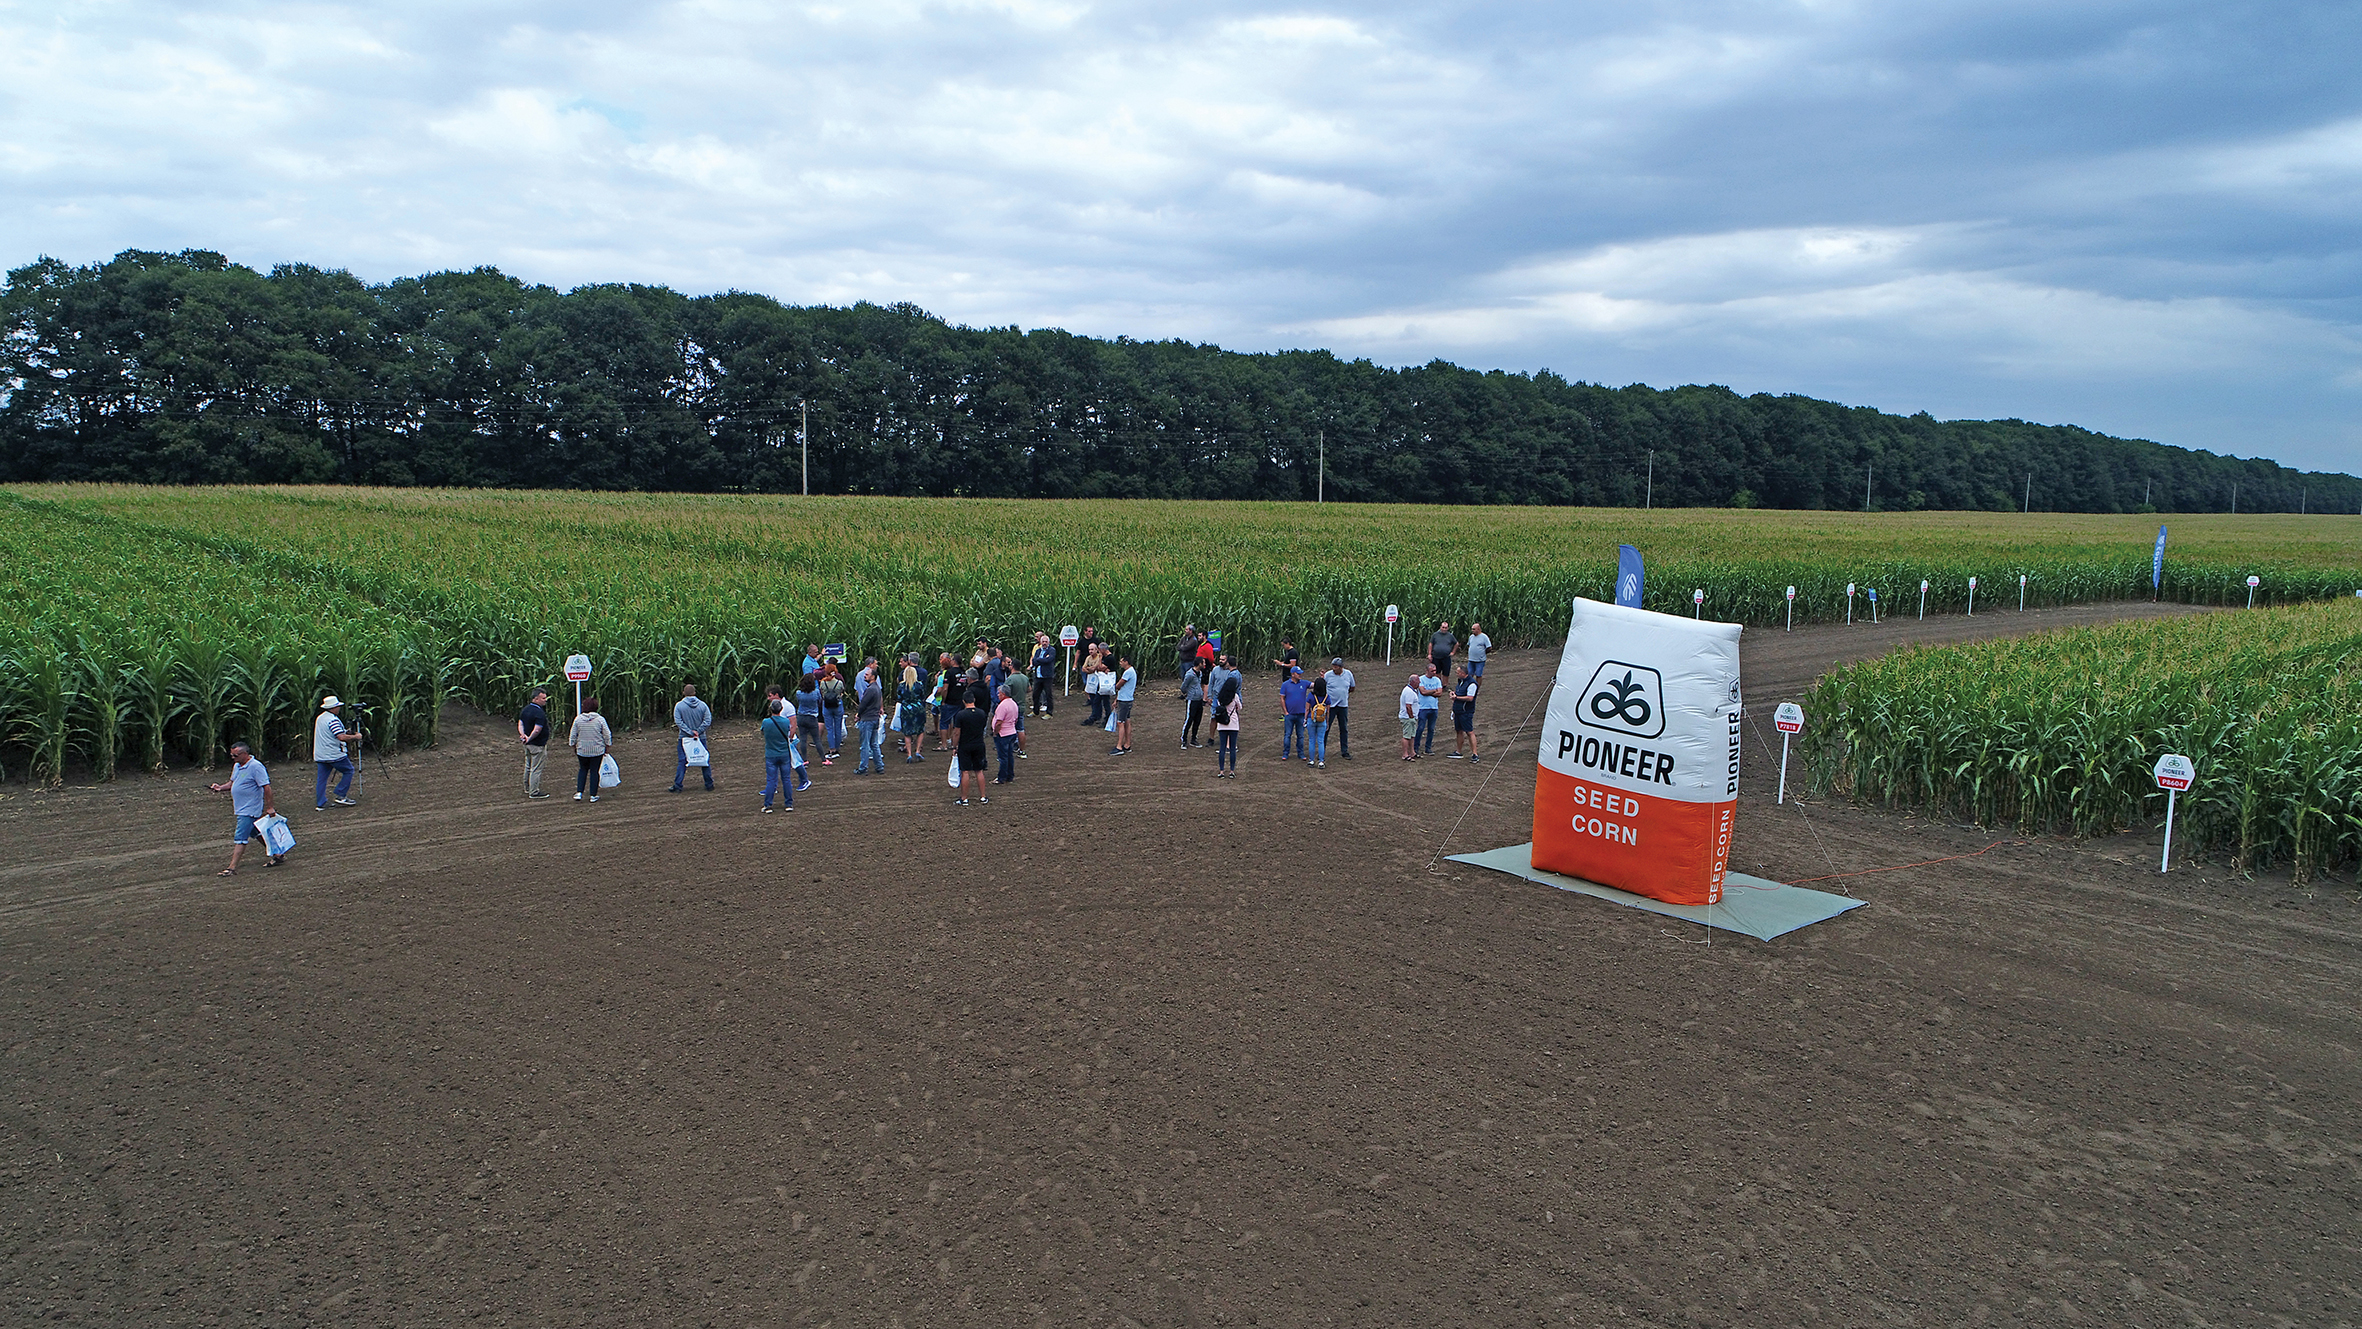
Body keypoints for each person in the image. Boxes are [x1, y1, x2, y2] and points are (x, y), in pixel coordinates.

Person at [209, 740, 280, 874]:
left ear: (245, 754)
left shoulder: (256, 767)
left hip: (250, 809)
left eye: (235, 755)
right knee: (256, 833)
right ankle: (278, 854)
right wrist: (220, 788)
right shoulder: (237, 766)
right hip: (241, 808)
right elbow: (232, 783)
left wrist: (270, 807)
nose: (233, 758)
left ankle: (232, 868)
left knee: (240, 838)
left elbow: (266, 787)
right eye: (231, 755)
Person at [312, 695, 359, 810]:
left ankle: (321, 802)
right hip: (333, 754)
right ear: (333, 708)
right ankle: (341, 794)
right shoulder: (333, 720)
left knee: (322, 779)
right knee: (348, 770)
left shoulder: (320, 718)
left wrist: (346, 732)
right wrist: (356, 737)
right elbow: (341, 737)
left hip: (320, 754)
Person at [670, 681, 715, 792]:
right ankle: (709, 784)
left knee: (682, 761)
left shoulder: (679, 706)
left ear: (683, 693)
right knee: (704, 760)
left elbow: (678, 722)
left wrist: (689, 732)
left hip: (684, 738)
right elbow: (707, 720)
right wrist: (698, 731)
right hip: (700, 737)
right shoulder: (703, 705)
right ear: (695, 692)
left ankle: (678, 785)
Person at [569, 698, 613, 800]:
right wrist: (607, 746)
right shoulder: (600, 719)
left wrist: (573, 745)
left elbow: (573, 735)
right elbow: (607, 734)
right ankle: (593, 795)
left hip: (582, 750)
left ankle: (579, 792)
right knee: (594, 771)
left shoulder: (578, 719)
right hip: (597, 750)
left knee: (582, 769)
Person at [952, 691, 990, 805]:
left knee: (965, 771)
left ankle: (964, 798)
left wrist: (954, 746)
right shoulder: (981, 713)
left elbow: (957, 732)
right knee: (979, 770)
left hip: (965, 745)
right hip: (979, 743)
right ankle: (983, 796)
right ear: (974, 700)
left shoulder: (960, 715)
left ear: (964, 701)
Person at [760, 698, 797, 811]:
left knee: (771, 780)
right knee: (786, 779)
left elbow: (762, 732)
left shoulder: (766, 722)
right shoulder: (785, 722)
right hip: (784, 753)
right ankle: (789, 804)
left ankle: (768, 805)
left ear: (770, 709)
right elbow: (789, 732)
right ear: (781, 709)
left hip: (771, 754)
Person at [518, 687, 552, 799]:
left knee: (528, 765)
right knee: (536, 768)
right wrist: (530, 738)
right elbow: (537, 729)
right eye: (543, 698)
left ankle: (527, 787)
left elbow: (520, 723)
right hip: (537, 745)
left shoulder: (526, 709)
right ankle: (534, 791)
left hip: (527, 744)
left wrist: (523, 735)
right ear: (536, 699)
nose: (545, 700)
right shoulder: (539, 713)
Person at [853, 657, 885, 774]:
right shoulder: (877, 688)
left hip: (867, 719)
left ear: (872, 677)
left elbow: (863, 704)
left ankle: (863, 768)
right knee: (874, 744)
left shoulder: (870, 689)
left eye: (867, 675)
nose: (865, 676)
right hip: (874, 718)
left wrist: (858, 715)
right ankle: (879, 766)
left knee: (865, 745)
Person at [1321, 658, 1355, 760]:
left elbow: (1352, 687)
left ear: (1341, 667)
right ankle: (1322, 750)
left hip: (1343, 705)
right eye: (1333, 667)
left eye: (1336, 667)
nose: (1334, 669)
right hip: (1330, 706)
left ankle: (1344, 751)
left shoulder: (1348, 674)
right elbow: (1322, 687)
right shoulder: (1328, 675)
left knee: (1343, 728)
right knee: (1326, 728)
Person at [1450, 663, 1481, 761]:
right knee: (1459, 731)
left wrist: (1457, 697)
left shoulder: (1471, 684)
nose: (1456, 674)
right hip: (1458, 710)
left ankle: (1475, 754)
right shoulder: (1461, 681)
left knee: (1469, 732)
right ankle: (1458, 752)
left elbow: (1470, 698)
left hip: (1466, 711)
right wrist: (1455, 693)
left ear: (1463, 673)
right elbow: (1460, 692)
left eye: (1458, 672)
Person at [1277, 666, 1310, 760]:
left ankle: (1301, 753)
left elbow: (1315, 685)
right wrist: (1285, 712)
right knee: (1288, 735)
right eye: (1298, 673)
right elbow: (1282, 699)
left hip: (1301, 714)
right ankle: (1286, 753)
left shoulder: (1304, 683)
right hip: (1290, 714)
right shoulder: (1285, 685)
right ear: (1292, 674)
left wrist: (1323, 678)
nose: (1300, 675)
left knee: (1301, 735)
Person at [1213, 672, 1242, 778]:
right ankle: (1231, 771)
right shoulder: (1235, 696)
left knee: (1222, 748)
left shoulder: (1220, 697)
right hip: (1233, 724)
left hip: (1222, 724)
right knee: (1232, 749)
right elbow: (1240, 707)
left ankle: (1221, 771)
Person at [992, 683, 1021, 784]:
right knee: (1009, 755)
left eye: (999, 693)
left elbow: (999, 722)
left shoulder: (1002, 705)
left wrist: (995, 732)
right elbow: (1016, 719)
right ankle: (1009, 775)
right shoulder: (1013, 703)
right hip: (1011, 732)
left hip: (1003, 734)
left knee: (1003, 757)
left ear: (1003, 694)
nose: (998, 695)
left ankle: (1001, 777)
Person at [794, 675, 825, 771]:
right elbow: (820, 700)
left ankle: (805, 760)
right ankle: (823, 759)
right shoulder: (816, 692)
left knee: (803, 739)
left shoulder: (799, 693)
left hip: (801, 717)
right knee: (816, 739)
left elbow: (798, 701)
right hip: (812, 717)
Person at [818, 662, 847, 762]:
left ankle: (832, 749)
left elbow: (822, 693)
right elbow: (842, 691)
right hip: (837, 705)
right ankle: (837, 748)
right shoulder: (839, 683)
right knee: (837, 727)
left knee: (829, 728)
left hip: (827, 706)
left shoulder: (823, 683)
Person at [1415, 661, 1445, 756]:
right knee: (1420, 728)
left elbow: (1440, 693)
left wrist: (1429, 691)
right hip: (1423, 707)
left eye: (1435, 670)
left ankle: (1428, 748)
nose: (1434, 672)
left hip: (1434, 707)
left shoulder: (1437, 680)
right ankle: (1416, 747)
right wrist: (1434, 691)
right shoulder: (1421, 679)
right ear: (1427, 670)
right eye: (1432, 671)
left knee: (1431, 729)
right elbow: (1422, 692)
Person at [1111, 656, 1137, 755]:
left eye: (1121, 661)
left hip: (1125, 701)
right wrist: (1117, 699)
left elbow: (1119, 685)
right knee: (1127, 721)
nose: (1120, 663)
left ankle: (1119, 746)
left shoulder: (1128, 672)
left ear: (1126, 662)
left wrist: (1112, 687)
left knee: (1120, 722)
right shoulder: (1131, 671)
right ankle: (1127, 744)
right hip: (1127, 699)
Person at [1181, 658, 1208, 748]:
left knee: (1197, 720)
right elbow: (1184, 686)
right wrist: (1188, 693)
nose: (1204, 664)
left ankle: (1193, 739)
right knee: (1189, 719)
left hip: (1199, 699)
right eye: (1203, 663)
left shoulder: (1200, 673)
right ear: (1199, 663)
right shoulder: (1190, 674)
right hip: (1192, 700)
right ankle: (1184, 740)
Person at [1005, 666, 1031, 757]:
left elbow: (1005, 691)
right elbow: (1029, 689)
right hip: (1021, 706)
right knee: (1020, 729)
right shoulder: (1025, 678)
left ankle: (1009, 751)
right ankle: (1022, 751)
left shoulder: (1010, 679)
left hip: (1011, 707)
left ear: (1012, 667)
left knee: (1008, 728)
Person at [1030, 633, 1057, 716]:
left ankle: (1049, 712)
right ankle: (1035, 711)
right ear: (1041, 642)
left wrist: (1039, 660)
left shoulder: (1051, 650)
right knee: (1035, 694)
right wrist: (1043, 659)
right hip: (1038, 676)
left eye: (1046, 641)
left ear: (1048, 642)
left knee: (1048, 694)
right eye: (1043, 641)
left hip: (1047, 676)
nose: (1044, 643)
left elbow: (1049, 660)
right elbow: (1034, 661)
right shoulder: (1038, 651)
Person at [1307, 674, 1331, 768]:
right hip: (1322, 720)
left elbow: (1307, 709)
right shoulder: (1327, 697)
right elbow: (1328, 711)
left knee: (1311, 740)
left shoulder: (1311, 696)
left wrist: (1305, 719)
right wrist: (1327, 722)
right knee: (1321, 741)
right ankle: (1321, 761)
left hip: (1311, 719)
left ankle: (1311, 760)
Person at [1399, 675, 1421, 761]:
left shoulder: (1411, 691)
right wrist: (1411, 717)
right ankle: (1405, 754)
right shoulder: (1409, 692)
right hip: (1407, 718)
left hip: (1411, 717)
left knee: (1412, 735)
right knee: (1406, 736)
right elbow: (1408, 706)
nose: (1419, 683)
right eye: (1418, 681)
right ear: (1413, 682)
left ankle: (1412, 752)